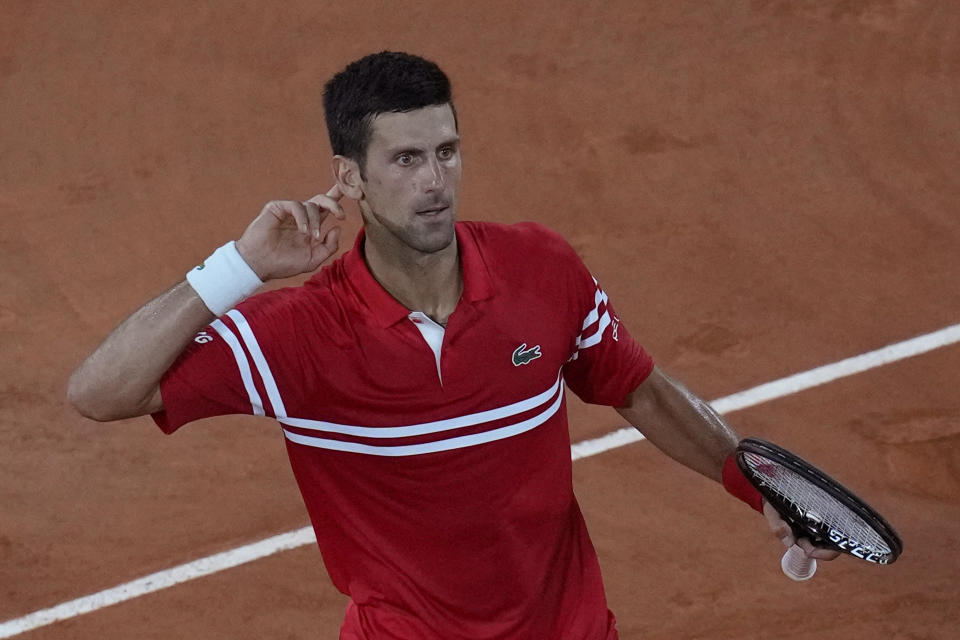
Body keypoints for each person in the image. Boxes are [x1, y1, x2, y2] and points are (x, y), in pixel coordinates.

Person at [68, 51, 837, 639]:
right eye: (405, 159)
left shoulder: (543, 268)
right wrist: (236, 269)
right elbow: (100, 394)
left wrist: (754, 481)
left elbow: (637, 387)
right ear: (350, 177)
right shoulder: (298, 334)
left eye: (446, 151)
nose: (435, 180)